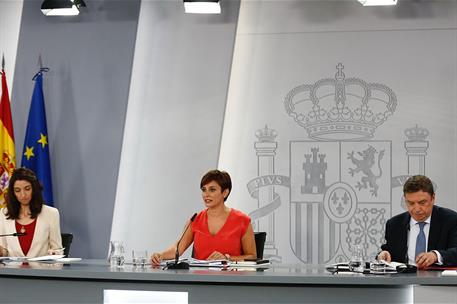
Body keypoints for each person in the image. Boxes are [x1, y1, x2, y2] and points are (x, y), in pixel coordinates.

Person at [152, 169, 257, 264]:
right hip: (200, 280)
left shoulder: (242, 220)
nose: (206, 194)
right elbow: (177, 249)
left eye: (212, 190)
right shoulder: (195, 220)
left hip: (231, 280)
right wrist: (160, 256)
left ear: (225, 192)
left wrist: (228, 259)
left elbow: (252, 257)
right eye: (204, 189)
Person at [378, 175, 457, 269]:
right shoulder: (394, 224)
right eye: (411, 203)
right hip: (403, 281)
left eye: (422, 203)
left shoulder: (451, 220)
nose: (416, 209)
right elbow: (388, 251)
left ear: (433, 198)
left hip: (437, 282)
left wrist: (436, 256)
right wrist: (384, 254)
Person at [0, 168, 62, 257]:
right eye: (17, 190)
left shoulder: (51, 213)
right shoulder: (3, 213)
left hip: (42, 269)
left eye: (27, 189)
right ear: (13, 193)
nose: (23, 195)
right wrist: (1, 252)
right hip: (12, 270)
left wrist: (53, 254)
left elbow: (57, 250)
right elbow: (5, 252)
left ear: (34, 189)